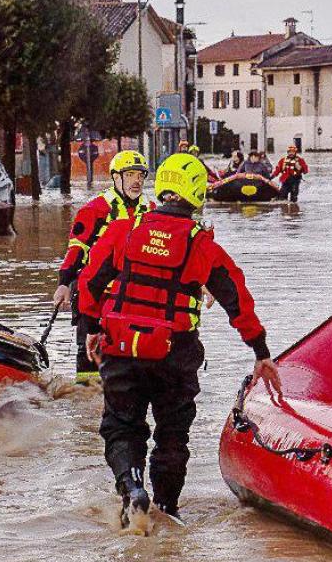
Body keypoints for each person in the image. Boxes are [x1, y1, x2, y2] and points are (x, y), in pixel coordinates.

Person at [77, 152, 283, 532]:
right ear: (196, 192)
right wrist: (260, 352)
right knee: (172, 434)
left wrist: (92, 329)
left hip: (122, 349)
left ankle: (132, 488)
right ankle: (167, 510)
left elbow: (88, 282)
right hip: (175, 352)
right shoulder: (201, 245)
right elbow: (236, 298)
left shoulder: (125, 230)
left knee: (122, 427)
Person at [54, 150, 153, 384]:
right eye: (130, 175)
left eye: (140, 175)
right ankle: (86, 399)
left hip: (128, 295)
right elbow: (76, 250)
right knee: (89, 354)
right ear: (116, 177)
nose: (136, 181)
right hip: (93, 291)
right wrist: (63, 284)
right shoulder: (95, 209)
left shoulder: (150, 209)